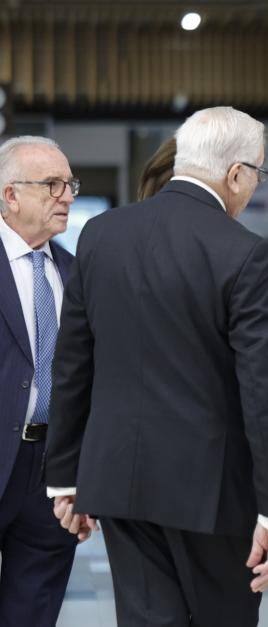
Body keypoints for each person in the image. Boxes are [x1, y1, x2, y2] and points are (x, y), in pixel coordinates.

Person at [45, 106, 268, 627]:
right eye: (259, 172)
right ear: (235, 174)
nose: (256, 183)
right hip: (212, 492)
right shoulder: (243, 253)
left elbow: (72, 362)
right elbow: (264, 391)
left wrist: (65, 476)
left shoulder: (100, 235)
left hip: (119, 479)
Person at [0, 136, 78, 627]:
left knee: (32, 614)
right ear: (10, 195)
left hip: (52, 475)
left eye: (69, 185)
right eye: (51, 184)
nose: (65, 196)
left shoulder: (75, 272)